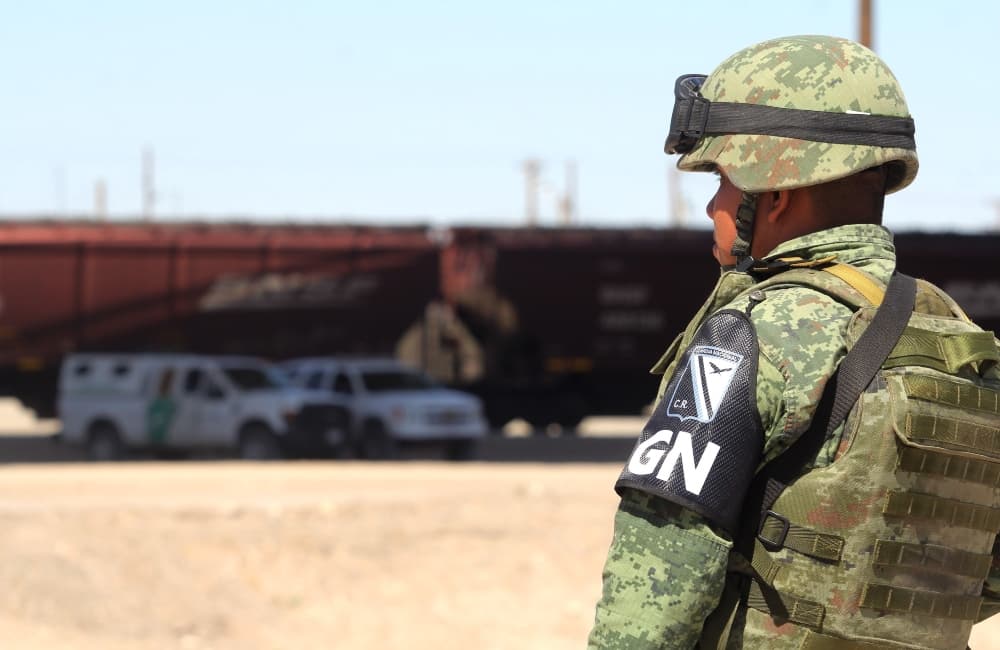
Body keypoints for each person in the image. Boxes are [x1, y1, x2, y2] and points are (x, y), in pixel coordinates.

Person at [587, 35, 1000, 649]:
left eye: (722, 180)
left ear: (774, 194)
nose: (711, 205)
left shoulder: (749, 332)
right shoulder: (960, 339)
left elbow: (663, 563)